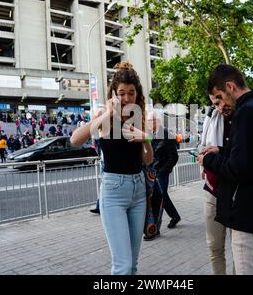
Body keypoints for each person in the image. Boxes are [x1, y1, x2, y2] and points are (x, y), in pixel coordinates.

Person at [197, 64, 253, 275]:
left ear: (230, 86)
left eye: (219, 98)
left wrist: (209, 160)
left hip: (248, 216)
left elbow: (239, 169)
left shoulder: (247, 113)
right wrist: (221, 150)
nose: (219, 106)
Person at [70, 61, 153, 275]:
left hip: (138, 191)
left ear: (137, 94)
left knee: (132, 264)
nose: (127, 98)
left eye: (131, 93)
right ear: (114, 94)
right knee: (123, 266)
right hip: (114, 192)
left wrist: (147, 139)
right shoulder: (103, 116)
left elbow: (147, 160)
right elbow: (75, 140)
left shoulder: (139, 116)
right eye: (122, 93)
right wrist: (108, 113)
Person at [198, 93, 234, 275]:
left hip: (236, 193)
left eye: (220, 102)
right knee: (214, 247)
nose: (220, 107)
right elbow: (203, 143)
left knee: (239, 249)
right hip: (212, 189)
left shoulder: (241, 118)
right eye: (215, 103)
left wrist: (219, 152)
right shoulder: (211, 117)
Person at [147, 110, 179, 238]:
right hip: (151, 171)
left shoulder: (167, 135)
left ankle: (154, 228)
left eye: (152, 120)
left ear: (158, 121)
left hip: (161, 172)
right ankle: (175, 216)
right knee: (161, 197)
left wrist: (163, 171)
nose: (150, 123)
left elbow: (174, 157)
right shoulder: (149, 134)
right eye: (149, 121)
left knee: (158, 199)